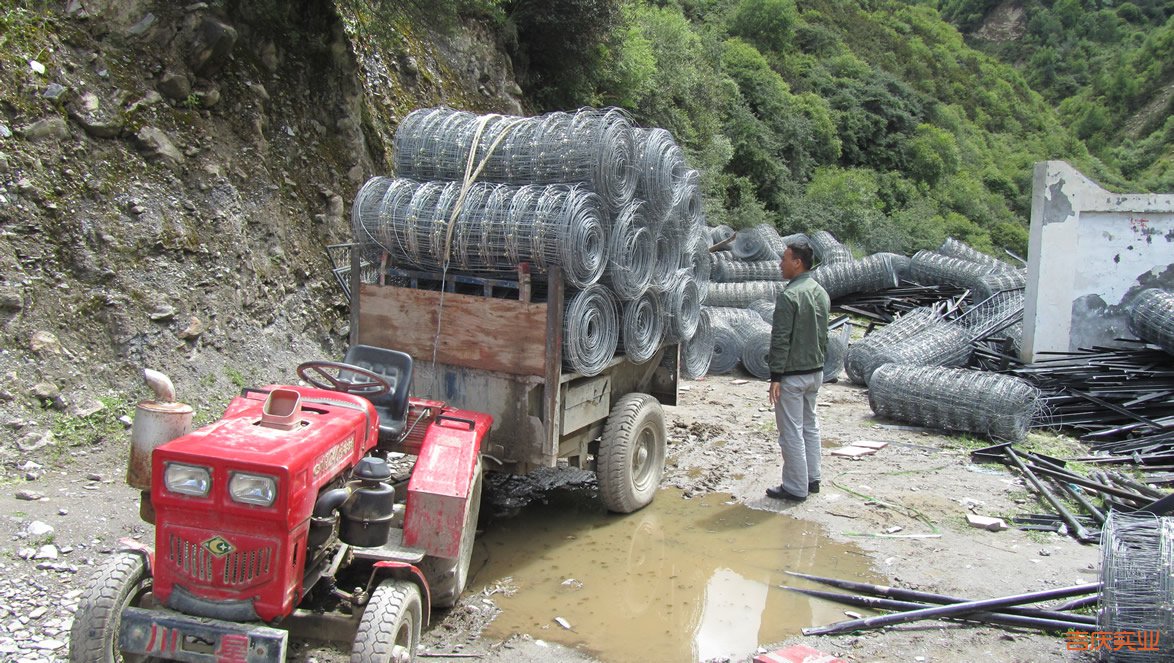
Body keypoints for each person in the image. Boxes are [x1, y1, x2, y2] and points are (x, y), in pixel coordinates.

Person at [766, 240, 829, 501]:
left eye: (784, 259)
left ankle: (795, 487)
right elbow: (824, 335)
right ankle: (812, 479)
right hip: (815, 371)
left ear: (797, 262)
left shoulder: (789, 295)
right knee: (810, 427)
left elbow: (781, 339)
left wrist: (776, 376)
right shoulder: (820, 292)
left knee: (791, 432)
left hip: (793, 375)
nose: (780, 264)